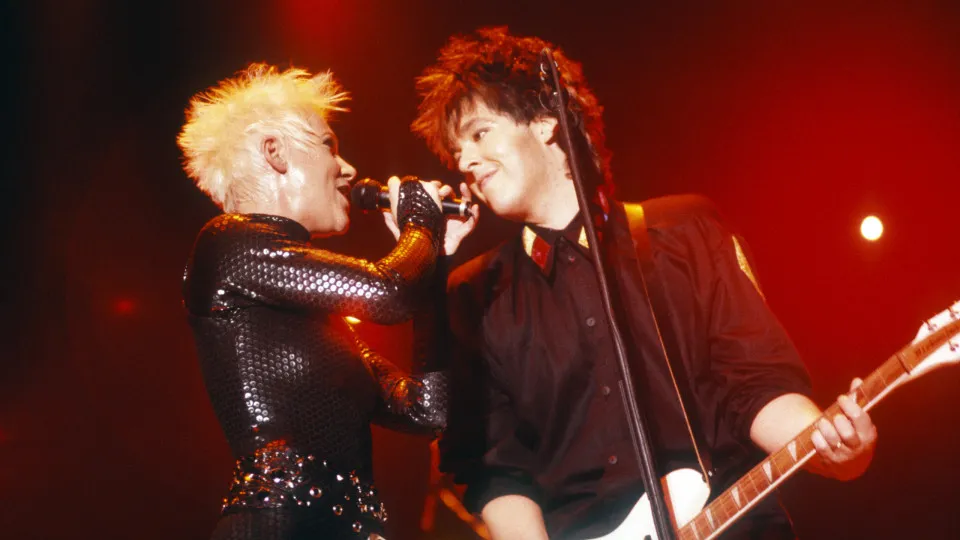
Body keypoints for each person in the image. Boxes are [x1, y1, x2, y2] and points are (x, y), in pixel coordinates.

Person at [410, 27, 877, 539]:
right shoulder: (475, 294)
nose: (465, 162)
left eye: (479, 134)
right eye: (457, 150)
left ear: (545, 121)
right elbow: (494, 469)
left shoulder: (684, 232)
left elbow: (755, 387)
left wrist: (830, 447)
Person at [177, 62, 475, 540]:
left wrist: (435, 261)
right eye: (328, 146)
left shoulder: (317, 315)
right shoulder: (228, 242)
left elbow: (426, 410)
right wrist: (421, 223)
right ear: (274, 152)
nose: (349, 169)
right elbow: (387, 293)